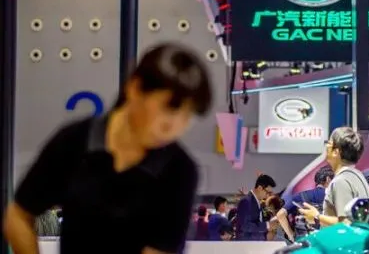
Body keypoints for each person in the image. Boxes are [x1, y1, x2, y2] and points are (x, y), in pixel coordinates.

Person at [2, 43, 212, 254]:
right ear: (135, 88)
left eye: (188, 116)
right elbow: (19, 215)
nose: (175, 126)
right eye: (170, 108)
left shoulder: (179, 170)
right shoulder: (75, 141)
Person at [299, 127, 369, 227]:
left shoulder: (341, 181)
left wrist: (317, 217)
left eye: (329, 143)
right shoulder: (358, 176)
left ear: (336, 152)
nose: (326, 146)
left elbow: (346, 224)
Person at [291, 166, 333, 238]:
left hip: (305, 238)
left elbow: (281, 214)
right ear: (328, 179)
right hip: (327, 237)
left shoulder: (300, 195)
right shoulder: (334, 197)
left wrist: (291, 235)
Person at [235, 174, 277, 241]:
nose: (268, 195)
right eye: (267, 192)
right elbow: (245, 226)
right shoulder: (246, 201)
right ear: (260, 188)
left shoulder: (257, 202)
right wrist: (267, 225)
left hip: (256, 243)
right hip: (247, 244)